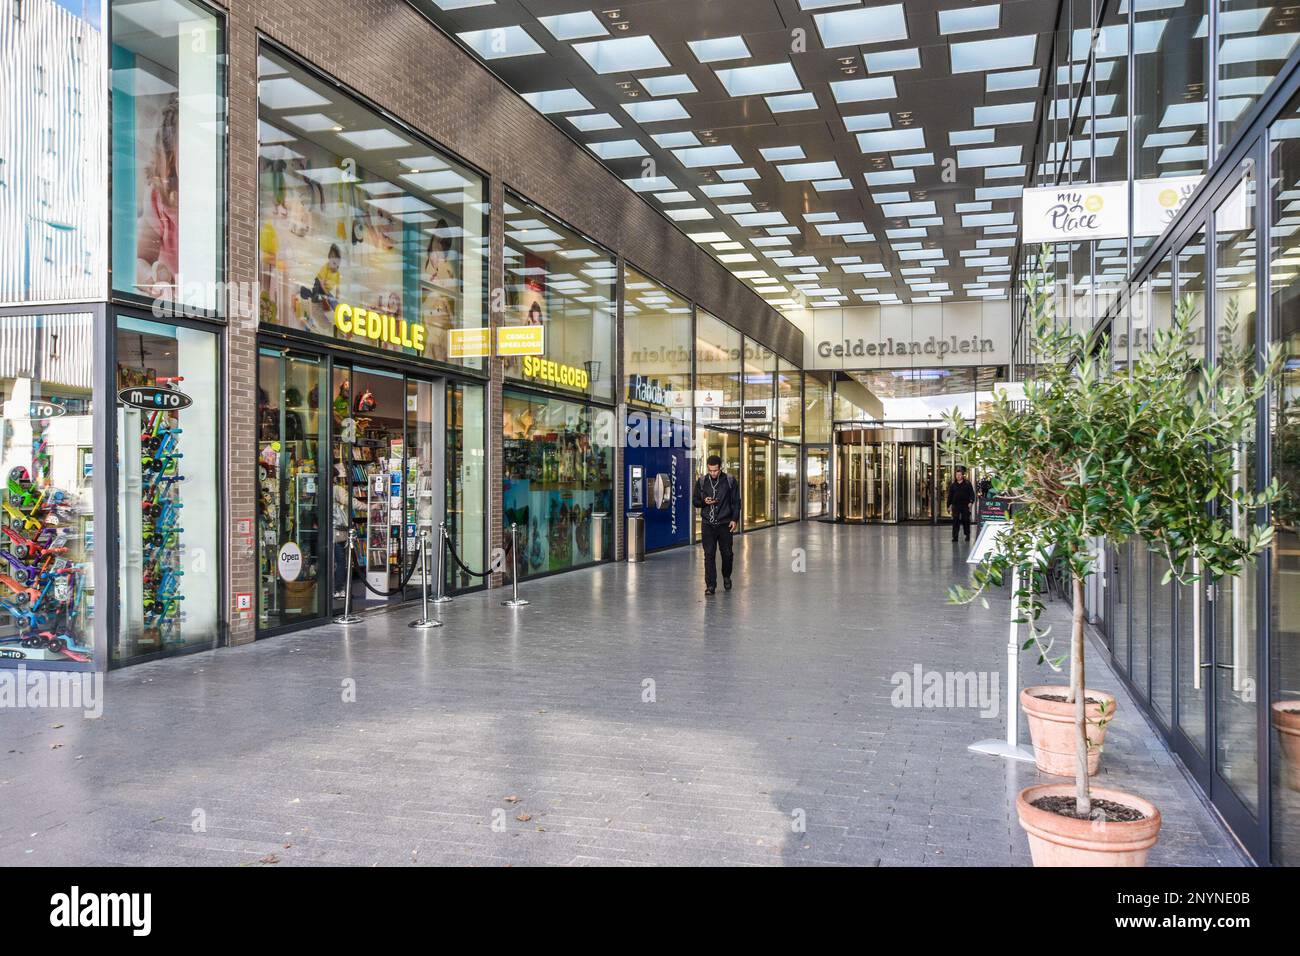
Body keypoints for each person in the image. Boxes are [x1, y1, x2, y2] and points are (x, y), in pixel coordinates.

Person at [692, 454, 740, 595]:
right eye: (710, 470)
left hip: (725, 524)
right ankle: (711, 585)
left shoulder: (730, 481)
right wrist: (704, 501)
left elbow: (736, 502)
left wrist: (734, 519)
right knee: (709, 555)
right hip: (707, 524)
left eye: (715, 470)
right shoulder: (701, 481)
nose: (713, 473)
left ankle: (726, 576)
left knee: (727, 554)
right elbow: (695, 501)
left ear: (720, 468)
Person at [947, 466, 976, 543]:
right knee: (955, 521)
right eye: (957, 475)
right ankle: (955, 537)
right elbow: (950, 496)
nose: (958, 476)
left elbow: (972, 494)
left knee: (965, 520)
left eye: (959, 475)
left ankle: (967, 534)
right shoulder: (953, 485)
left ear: (962, 475)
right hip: (955, 505)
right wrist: (949, 505)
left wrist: (971, 501)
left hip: (965, 505)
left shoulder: (967, 484)